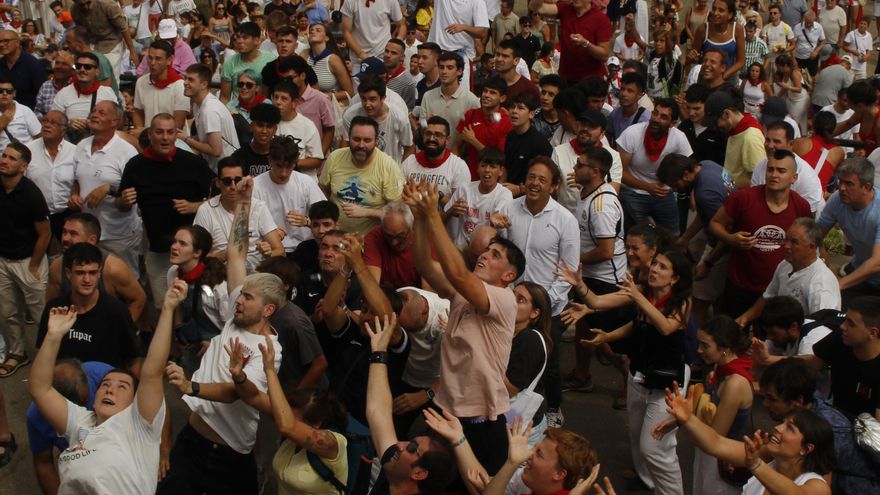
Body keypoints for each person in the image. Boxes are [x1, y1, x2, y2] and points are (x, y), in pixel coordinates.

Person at [158, 177, 286, 495]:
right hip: (192, 439)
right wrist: (243, 205)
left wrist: (191, 386)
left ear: (268, 310)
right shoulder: (233, 319)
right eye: (240, 295)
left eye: (248, 298)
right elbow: (237, 253)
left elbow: (235, 392)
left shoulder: (270, 349)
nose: (238, 299)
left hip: (227, 455)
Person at [406, 178, 526, 474]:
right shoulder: (464, 291)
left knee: (480, 486)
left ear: (509, 276)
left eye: (495, 255)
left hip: (483, 420)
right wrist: (421, 218)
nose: (484, 255)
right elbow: (423, 263)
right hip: (447, 411)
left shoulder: (503, 299)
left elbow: (459, 275)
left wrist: (434, 213)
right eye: (486, 251)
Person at [27, 271, 179, 493]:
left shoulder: (139, 426)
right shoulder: (80, 423)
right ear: (93, 397)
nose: (110, 389)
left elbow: (152, 372)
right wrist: (53, 337)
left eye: (122, 387)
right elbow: (39, 389)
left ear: (134, 402)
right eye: (105, 385)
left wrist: (167, 309)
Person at [571, 249, 693, 495]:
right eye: (655, 264)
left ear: (675, 278)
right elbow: (598, 303)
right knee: (638, 437)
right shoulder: (641, 293)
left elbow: (666, 327)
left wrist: (638, 297)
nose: (654, 270)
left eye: (662, 267)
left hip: (667, 382)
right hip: (639, 374)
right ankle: (646, 480)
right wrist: (579, 284)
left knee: (655, 445)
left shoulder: (682, 302)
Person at [491, 157, 579, 428]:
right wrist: (494, 226)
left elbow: (570, 270)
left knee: (548, 363)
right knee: (507, 355)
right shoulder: (508, 208)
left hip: (547, 307)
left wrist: (545, 302)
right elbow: (495, 252)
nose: (535, 183)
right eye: (531, 177)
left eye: (542, 179)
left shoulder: (565, 220)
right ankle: (508, 412)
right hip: (510, 302)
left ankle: (551, 408)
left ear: (553, 187)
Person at [661, 383, 834, 495]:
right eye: (783, 423)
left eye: (789, 428)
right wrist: (688, 419)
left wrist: (756, 465)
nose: (777, 428)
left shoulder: (817, 487)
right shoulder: (767, 455)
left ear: (807, 448)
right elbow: (716, 443)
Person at [117, 113, 215, 308]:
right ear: (150, 135)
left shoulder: (193, 163)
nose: (165, 138)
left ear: (175, 136)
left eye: (170, 132)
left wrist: (194, 206)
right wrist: (124, 201)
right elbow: (120, 203)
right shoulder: (136, 165)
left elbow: (219, 198)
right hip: (159, 250)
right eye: (159, 132)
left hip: (193, 253)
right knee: (164, 307)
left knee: (197, 308)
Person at [709, 149, 812, 318]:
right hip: (740, 285)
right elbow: (715, 223)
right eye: (770, 169)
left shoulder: (801, 206)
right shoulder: (743, 198)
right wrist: (730, 239)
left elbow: (809, 242)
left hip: (778, 290)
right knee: (731, 336)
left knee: (768, 340)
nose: (774, 175)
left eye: (781, 171)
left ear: (794, 178)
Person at [363, 311, 456, 494]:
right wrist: (379, 353)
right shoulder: (394, 464)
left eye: (411, 448)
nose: (400, 444)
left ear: (419, 473)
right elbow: (378, 412)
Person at [756, 358, 880, 494]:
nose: (765, 404)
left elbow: (820, 485)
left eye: (772, 399)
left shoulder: (829, 430)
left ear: (798, 401)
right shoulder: (808, 402)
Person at [657, 155, 735, 327]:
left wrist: (708, 264)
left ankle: (700, 344)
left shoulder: (704, 193)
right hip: (719, 241)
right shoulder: (707, 164)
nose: (676, 191)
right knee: (717, 296)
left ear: (686, 175)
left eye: (676, 185)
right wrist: (686, 237)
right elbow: (706, 214)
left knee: (699, 301)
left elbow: (727, 232)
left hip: (721, 247)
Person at [36, 242, 142, 370]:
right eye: (80, 273)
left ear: (99, 273)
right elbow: (44, 356)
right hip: (64, 383)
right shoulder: (55, 309)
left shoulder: (116, 310)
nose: (87, 280)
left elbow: (132, 359)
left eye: (92, 273)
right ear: (68, 273)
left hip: (104, 384)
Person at [69, 101, 140, 276]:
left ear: (115, 121)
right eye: (93, 111)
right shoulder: (81, 146)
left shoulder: (126, 152)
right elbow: (77, 180)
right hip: (86, 234)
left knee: (125, 284)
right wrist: (74, 194)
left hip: (117, 235)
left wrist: (108, 189)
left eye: (101, 113)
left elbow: (131, 197)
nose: (94, 115)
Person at [0, 142, 50, 377]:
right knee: (8, 312)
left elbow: (45, 234)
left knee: (41, 314)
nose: (4, 160)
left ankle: (52, 357)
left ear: (23, 167)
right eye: (4, 156)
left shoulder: (31, 194)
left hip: (29, 261)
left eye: (11, 158)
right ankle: (17, 353)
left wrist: (33, 265)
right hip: (3, 261)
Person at [45, 213, 146, 321]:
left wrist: (121, 331)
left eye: (73, 234)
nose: (65, 238)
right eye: (64, 232)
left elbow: (139, 299)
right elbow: (51, 306)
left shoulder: (113, 268)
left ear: (92, 240)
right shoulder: (57, 266)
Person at [617, 98, 693, 235]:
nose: (656, 119)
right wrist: (647, 187)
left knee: (673, 234)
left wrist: (674, 187)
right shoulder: (632, 133)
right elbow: (619, 172)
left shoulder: (679, 138)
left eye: (663, 117)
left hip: (664, 192)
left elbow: (687, 169)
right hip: (633, 192)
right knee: (636, 235)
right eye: (655, 113)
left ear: (673, 123)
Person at [194, 157, 283, 271]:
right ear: (217, 183)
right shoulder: (206, 210)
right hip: (221, 274)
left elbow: (280, 251)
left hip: (256, 273)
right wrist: (220, 257)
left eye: (237, 180)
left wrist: (268, 253)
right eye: (227, 181)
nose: (232, 186)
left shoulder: (258, 207)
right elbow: (194, 255)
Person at [319, 116, 404, 235]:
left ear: (376, 141)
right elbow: (323, 189)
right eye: (356, 139)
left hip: (371, 240)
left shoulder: (388, 166)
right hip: (336, 236)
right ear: (349, 138)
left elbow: (398, 214)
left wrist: (366, 212)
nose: (361, 145)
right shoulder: (335, 158)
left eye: (367, 140)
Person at [816, 158, 880, 303]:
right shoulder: (837, 200)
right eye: (841, 181)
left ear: (867, 187)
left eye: (849, 184)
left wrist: (838, 285)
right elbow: (816, 234)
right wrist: (820, 249)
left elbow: (877, 262)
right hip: (862, 273)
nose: (842, 188)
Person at [252, 135, 326, 256]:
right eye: (279, 166)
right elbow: (250, 225)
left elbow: (326, 217)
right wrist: (270, 232)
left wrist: (307, 221)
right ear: (270, 161)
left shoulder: (306, 182)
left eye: (289, 166)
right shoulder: (256, 186)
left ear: (295, 162)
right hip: (271, 249)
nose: (284, 172)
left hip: (304, 247)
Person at [750, 121, 826, 216]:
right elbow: (755, 200)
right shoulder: (760, 167)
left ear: (790, 144)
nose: (769, 145)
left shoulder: (807, 176)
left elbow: (809, 216)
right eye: (768, 140)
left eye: (776, 141)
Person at [443, 147, 513, 250]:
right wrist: (451, 210)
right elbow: (443, 217)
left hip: (485, 252)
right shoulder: (464, 189)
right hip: (461, 251)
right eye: (483, 165)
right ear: (477, 168)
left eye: (492, 167)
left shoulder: (504, 194)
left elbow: (500, 221)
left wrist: (494, 222)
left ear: (501, 171)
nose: (487, 170)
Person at [529, 0, 612, 83]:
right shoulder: (566, 9)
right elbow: (535, 7)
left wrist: (585, 44)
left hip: (590, 81)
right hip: (566, 78)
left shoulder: (601, 19)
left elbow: (604, 55)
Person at [25, 110, 76, 243]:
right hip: (36, 216)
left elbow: (80, 180)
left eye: (53, 123)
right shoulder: (28, 150)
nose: (47, 125)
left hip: (67, 214)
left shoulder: (75, 152)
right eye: (45, 121)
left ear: (64, 130)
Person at [342, 74, 414, 165]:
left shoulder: (399, 118)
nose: (367, 104)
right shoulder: (350, 115)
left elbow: (409, 148)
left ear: (383, 98)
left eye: (372, 99)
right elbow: (345, 146)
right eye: (363, 99)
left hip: (389, 170)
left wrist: (400, 172)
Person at [702, 88, 766, 189]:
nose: (716, 127)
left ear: (727, 114)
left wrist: (725, 186)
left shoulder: (750, 136)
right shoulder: (735, 130)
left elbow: (757, 179)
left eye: (716, 122)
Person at [182, 63, 240, 172]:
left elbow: (215, 150)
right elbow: (203, 139)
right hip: (216, 168)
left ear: (203, 84)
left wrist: (187, 139)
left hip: (228, 172)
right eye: (185, 78)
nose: (185, 83)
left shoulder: (210, 110)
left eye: (190, 80)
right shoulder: (197, 104)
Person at [401, 115, 471, 204]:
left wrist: (437, 195)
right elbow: (398, 196)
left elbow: (461, 208)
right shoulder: (409, 162)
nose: (431, 138)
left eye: (438, 135)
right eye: (428, 133)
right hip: (412, 217)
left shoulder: (459, 166)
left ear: (447, 140)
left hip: (443, 218)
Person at [50, 52, 117, 143]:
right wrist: (68, 124)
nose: (82, 69)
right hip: (71, 143)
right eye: (78, 66)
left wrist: (95, 123)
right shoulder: (63, 93)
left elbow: (118, 121)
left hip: (101, 141)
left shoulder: (107, 93)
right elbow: (52, 122)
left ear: (97, 71)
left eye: (87, 67)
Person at [454, 76, 512, 178]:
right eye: (485, 91)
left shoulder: (506, 122)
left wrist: (473, 140)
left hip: (492, 181)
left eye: (492, 93)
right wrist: (452, 169)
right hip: (468, 177)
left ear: (502, 98)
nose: (486, 95)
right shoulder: (470, 115)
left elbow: (497, 159)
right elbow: (456, 146)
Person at [426, 0, 489, 94]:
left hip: (461, 57)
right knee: (432, 96)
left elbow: (483, 32)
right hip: (436, 54)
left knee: (460, 98)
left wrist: (464, 27)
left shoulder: (477, 2)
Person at [420, 51, 479, 150]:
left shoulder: (471, 100)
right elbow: (422, 125)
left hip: (458, 157)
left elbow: (474, 134)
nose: (444, 71)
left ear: (459, 71)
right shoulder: (428, 96)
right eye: (441, 67)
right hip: (432, 152)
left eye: (450, 68)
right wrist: (426, 122)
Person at [69, 0, 138, 83]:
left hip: (112, 42)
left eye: (88, 3)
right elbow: (80, 31)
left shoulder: (108, 4)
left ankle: (112, 94)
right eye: (82, 5)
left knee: (110, 76)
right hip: (92, 43)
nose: (86, 7)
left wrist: (132, 51)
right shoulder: (74, 10)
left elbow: (123, 28)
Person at [131, 40, 189, 135]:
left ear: (169, 60)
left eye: (158, 59)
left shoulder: (180, 86)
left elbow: (177, 125)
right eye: (150, 58)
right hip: (147, 139)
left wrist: (145, 133)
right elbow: (138, 111)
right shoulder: (141, 82)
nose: (152, 63)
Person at [271, 82, 324, 178]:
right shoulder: (268, 123)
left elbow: (317, 160)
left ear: (294, 103)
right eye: (276, 97)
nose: (278, 102)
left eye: (284, 98)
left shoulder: (307, 126)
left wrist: (290, 162)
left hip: (302, 179)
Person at [504, 93, 553, 189]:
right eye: (512, 107)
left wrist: (520, 189)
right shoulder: (510, 136)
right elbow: (506, 166)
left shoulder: (539, 142)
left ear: (531, 114)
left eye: (520, 108)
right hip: (508, 192)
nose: (514, 111)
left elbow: (546, 176)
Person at [219, 22, 275, 104]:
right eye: (238, 38)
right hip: (237, 112)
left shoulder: (271, 60)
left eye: (245, 38)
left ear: (257, 40)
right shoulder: (229, 63)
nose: (239, 41)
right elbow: (224, 97)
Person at [689, 0, 745, 82]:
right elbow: (694, 57)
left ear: (730, 15)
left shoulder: (737, 29)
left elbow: (741, 61)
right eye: (714, 9)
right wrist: (692, 57)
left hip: (728, 80)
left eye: (721, 10)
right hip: (706, 79)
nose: (715, 13)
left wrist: (722, 77)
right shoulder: (703, 29)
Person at [792, 112, 845, 194]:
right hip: (817, 198)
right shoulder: (839, 152)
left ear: (813, 126)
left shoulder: (800, 143)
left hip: (794, 192)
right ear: (833, 129)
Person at [340, 0, 404, 68]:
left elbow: (402, 25)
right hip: (358, 60)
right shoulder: (350, 1)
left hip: (384, 57)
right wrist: (361, 54)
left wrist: (398, 42)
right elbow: (346, 32)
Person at [302, 23, 354, 102]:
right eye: (311, 31)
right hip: (308, 103)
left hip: (330, 104)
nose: (313, 32)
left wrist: (322, 96)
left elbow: (350, 92)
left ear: (326, 38)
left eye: (318, 30)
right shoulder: (304, 56)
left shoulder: (333, 60)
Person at [230, 100, 280, 177]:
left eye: (269, 126)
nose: (264, 131)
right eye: (260, 125)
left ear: (275, 130)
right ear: (251, 126)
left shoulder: (282, 156)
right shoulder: (238, 157)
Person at [0, 29, 46, 109]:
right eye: (0, 42)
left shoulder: (33, 64)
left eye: (6, 41)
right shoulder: (1, 63)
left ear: (17, 42)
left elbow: (43, 94)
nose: (1, 44)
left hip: (29, 114)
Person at [606, 72, 650, 145]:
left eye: (630, 91)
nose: (623, 94)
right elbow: (608, 135)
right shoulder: (614, 114)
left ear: (640, 95)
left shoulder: (645, 119)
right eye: (622, 89)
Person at [495, 40, 541, 106]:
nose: (499, 59)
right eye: (497, 54)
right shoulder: (490, 84)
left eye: (505, 56)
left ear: (516, 61)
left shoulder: (529, 89)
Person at [34, 50, 74, 119]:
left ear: (71, 70)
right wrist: (44, 119)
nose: (59, 66)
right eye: (57, 63)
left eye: (64, 64)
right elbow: (38, 110)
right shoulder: (46, 86)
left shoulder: (75, 87)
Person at [383, 39, 416, 111]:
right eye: (386, 51)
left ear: (402, 57)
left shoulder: (408, 82)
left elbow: (408, 110)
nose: (388, 55)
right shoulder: (377, 73)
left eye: (393, 53)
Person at [793, 11, 825, 77]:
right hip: (799, 57)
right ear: (804, 19)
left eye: (810, 23)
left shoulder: (819, 27)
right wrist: (793, 59)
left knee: (812, 76)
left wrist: (816, 51)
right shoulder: (797, 27)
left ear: (814, 20)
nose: (808, 25)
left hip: (812, 58)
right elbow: (793, 44)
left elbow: (823, 41)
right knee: (799, 77)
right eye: (807, 22)